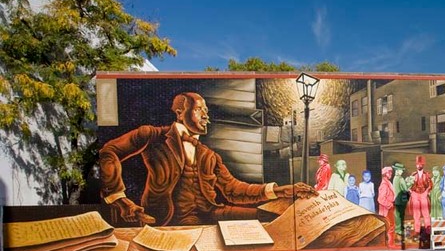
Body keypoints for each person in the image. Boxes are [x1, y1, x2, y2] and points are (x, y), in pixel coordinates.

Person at [99, 92, 316, 226]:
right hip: (166, 220)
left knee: (269, 216)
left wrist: (281, 191)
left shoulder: (208, 155)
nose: (206, 116)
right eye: (200, 110)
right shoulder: (152, 136)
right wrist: (119, 200)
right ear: (180, 111)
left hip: (211, 214)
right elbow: (109, 152)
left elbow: (234, 190)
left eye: (207, 111)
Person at [409, 155, 432, 237]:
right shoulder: (413, 174)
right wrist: (411, 191)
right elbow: (409, 184)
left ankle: (428, 229)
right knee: (416, 214)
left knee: (425, 213)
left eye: (421, 164)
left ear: (423, 165)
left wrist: (427, 192)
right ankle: (417, 230)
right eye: (418, 164)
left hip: (423, 194)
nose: (419, 166)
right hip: (415, 194)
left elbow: (430, 185)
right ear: (416, 165)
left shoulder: (427, 174)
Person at [377, 166, 397, 248]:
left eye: (391, 172)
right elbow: (380, 199)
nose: (391, 174)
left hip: (388, 208)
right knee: (391, 225)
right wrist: (390, 204)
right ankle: (390, 243)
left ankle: (389, 243)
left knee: (389, 225)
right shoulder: (384, 184)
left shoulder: (387, 182)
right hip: (386, 209)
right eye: (389, 172)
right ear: (385, 174)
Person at [392, 162, 409, 238]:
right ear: (397, 170)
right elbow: (405, 189)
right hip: (401, 199)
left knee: (397, 215)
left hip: (396, 199)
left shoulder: (395, 178)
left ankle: (397, 229)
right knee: (401, 215)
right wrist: (409, 183)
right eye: (401, 170)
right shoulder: (401, 179)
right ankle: (399, 230)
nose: (402, 172)